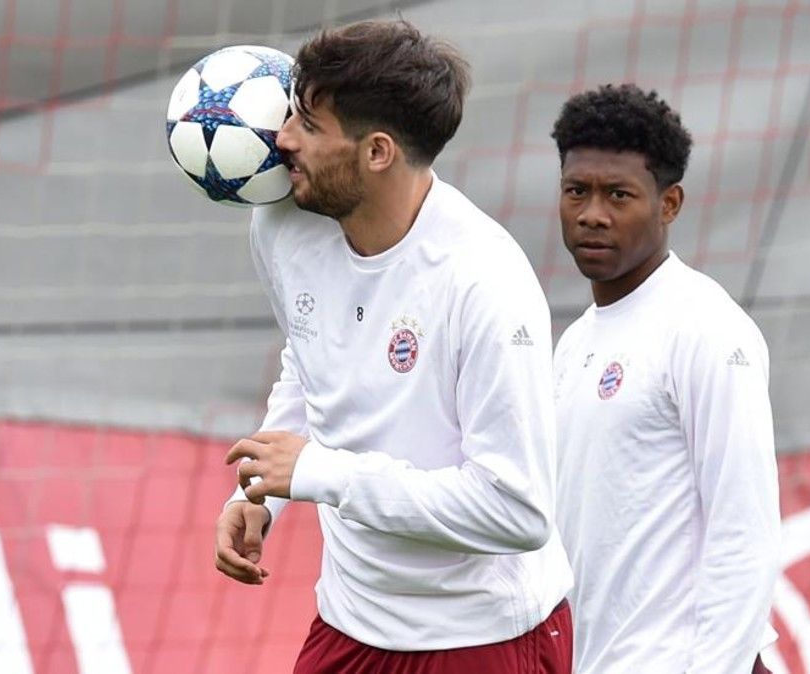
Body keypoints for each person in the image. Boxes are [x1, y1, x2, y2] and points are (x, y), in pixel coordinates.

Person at [212, 19, 574, 674]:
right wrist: (260, 491)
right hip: (349, 622)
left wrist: (323, 473)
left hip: (481, 639)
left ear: (377, 152)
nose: (282, 140)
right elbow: (311, 353)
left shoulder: (484, 284)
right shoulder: (280, 226)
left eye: (310, 128)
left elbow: (516, 511)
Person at [549, 83, 781, 674]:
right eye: (577, 191)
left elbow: (745, 533)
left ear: (669, 204)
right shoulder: (575, 343)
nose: (592, 214)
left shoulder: (706, 329)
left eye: (618, 195)